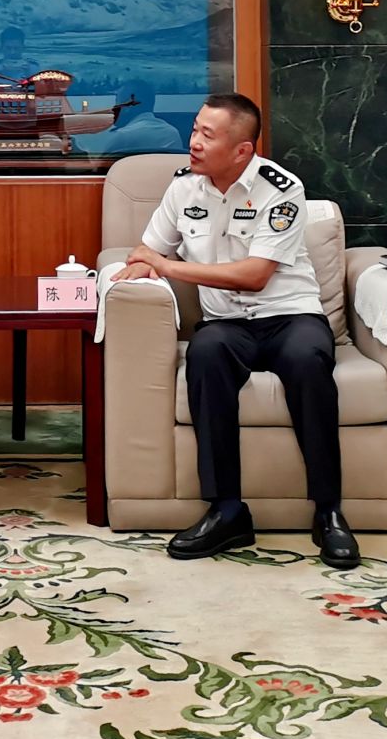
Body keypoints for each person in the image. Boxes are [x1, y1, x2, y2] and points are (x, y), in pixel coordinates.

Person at [109, 92, 359, 569]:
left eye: (207, 135)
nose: (193, 142)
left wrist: (168, 267)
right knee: (205, 355)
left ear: (242, 149)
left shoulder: (280, 189)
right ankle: (226, 511)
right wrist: (135, 270)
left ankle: (328, 512)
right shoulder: (183, 189)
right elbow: (148, 252)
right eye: (195, 129)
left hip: (290, 317)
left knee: (308, 361)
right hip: (226, 324)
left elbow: (255, 275)